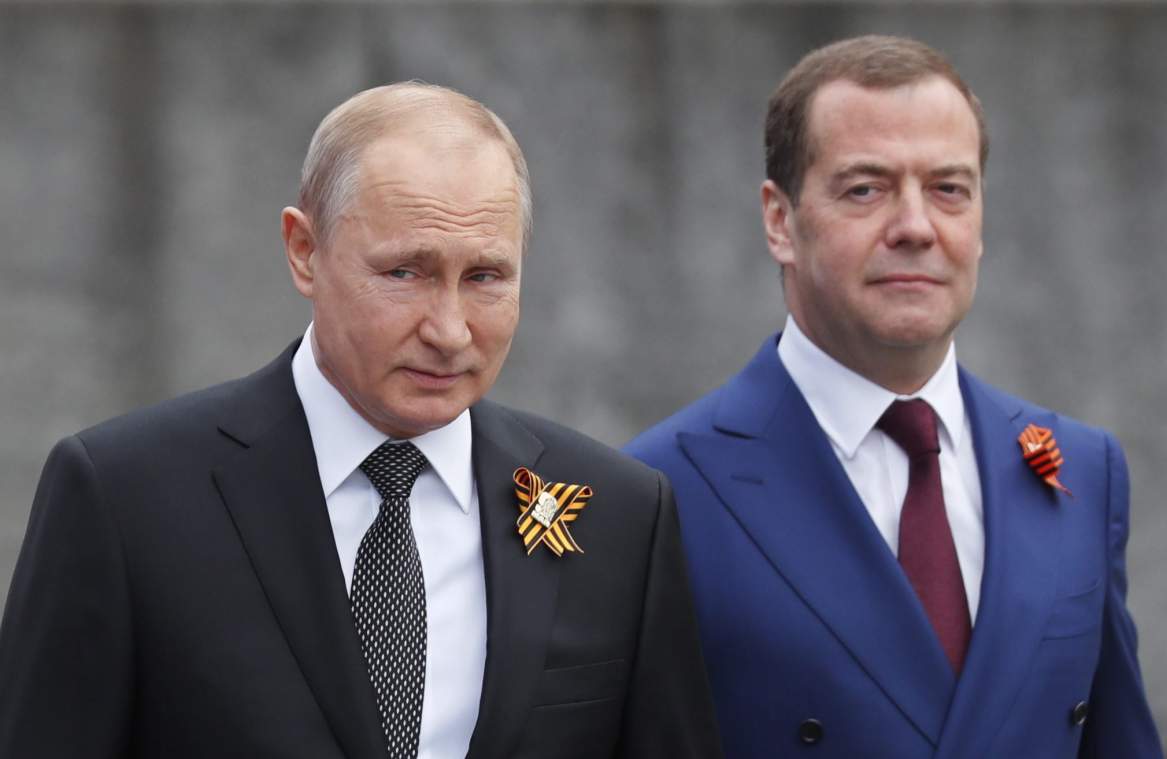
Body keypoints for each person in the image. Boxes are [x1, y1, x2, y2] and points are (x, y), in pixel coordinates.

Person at [0, 83, 721, 759]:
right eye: (405, 272)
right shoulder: (126, 498)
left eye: (485, 277)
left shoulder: (621, 515)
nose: (449, 329)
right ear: (304, 251)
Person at [626, 35, 1162, 758]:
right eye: (865, 189)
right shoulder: (655, 493)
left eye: (949, 189)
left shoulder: (1084, 471)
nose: (915, 227)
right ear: (780, 221)